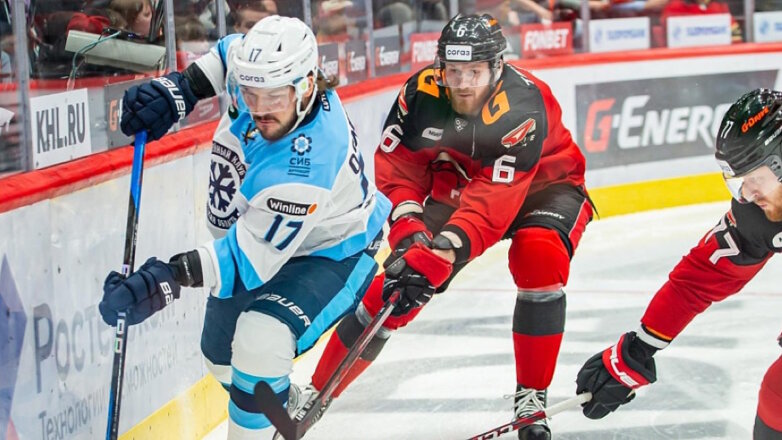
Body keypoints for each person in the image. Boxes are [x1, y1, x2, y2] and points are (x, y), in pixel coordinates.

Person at [300, 13, 593, 440]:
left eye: (474, 71)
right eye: (454, 71)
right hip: (461, 187)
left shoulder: (524, 102)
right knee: (395, 289)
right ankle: (315, 394)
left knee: (538, 255)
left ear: (497, 67)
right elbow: (399, 170)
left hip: (544, 188)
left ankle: (532, 397)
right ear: (440, 67)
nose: (463, 83)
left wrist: (440, 253)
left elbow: (494, 202)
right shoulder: (421, 93)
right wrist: (409, 234)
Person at [98, 15, 390, 440]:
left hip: (333, 250)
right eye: (251, 93)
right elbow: (226, 53)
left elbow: (243, 260)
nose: (259, 108)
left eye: (273, 97)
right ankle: (276, 406)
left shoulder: (307, 164)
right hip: (265, 237)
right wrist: (180, 90)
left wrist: (165, 278)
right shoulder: (262, 74)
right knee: (219, 357)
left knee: (260, 340)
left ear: (307, 85)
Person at [575, 88, 782, 439]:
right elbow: (699, 279)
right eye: (740, 183)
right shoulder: (757, 216)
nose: (747, 195)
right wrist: (639, 348)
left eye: (753, 178)